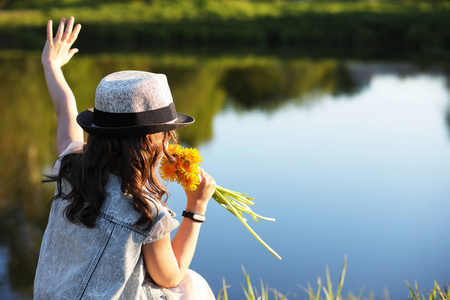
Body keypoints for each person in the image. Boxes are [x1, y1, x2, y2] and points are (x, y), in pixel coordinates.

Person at [33, 17, 216, 300]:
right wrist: (196, 207)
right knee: (192, 286)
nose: (169, 141)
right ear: (149, 142)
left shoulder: (70, 167)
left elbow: (64, 110)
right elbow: (171, 274)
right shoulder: (145, 212)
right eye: (166, 133)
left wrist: (51, 65)